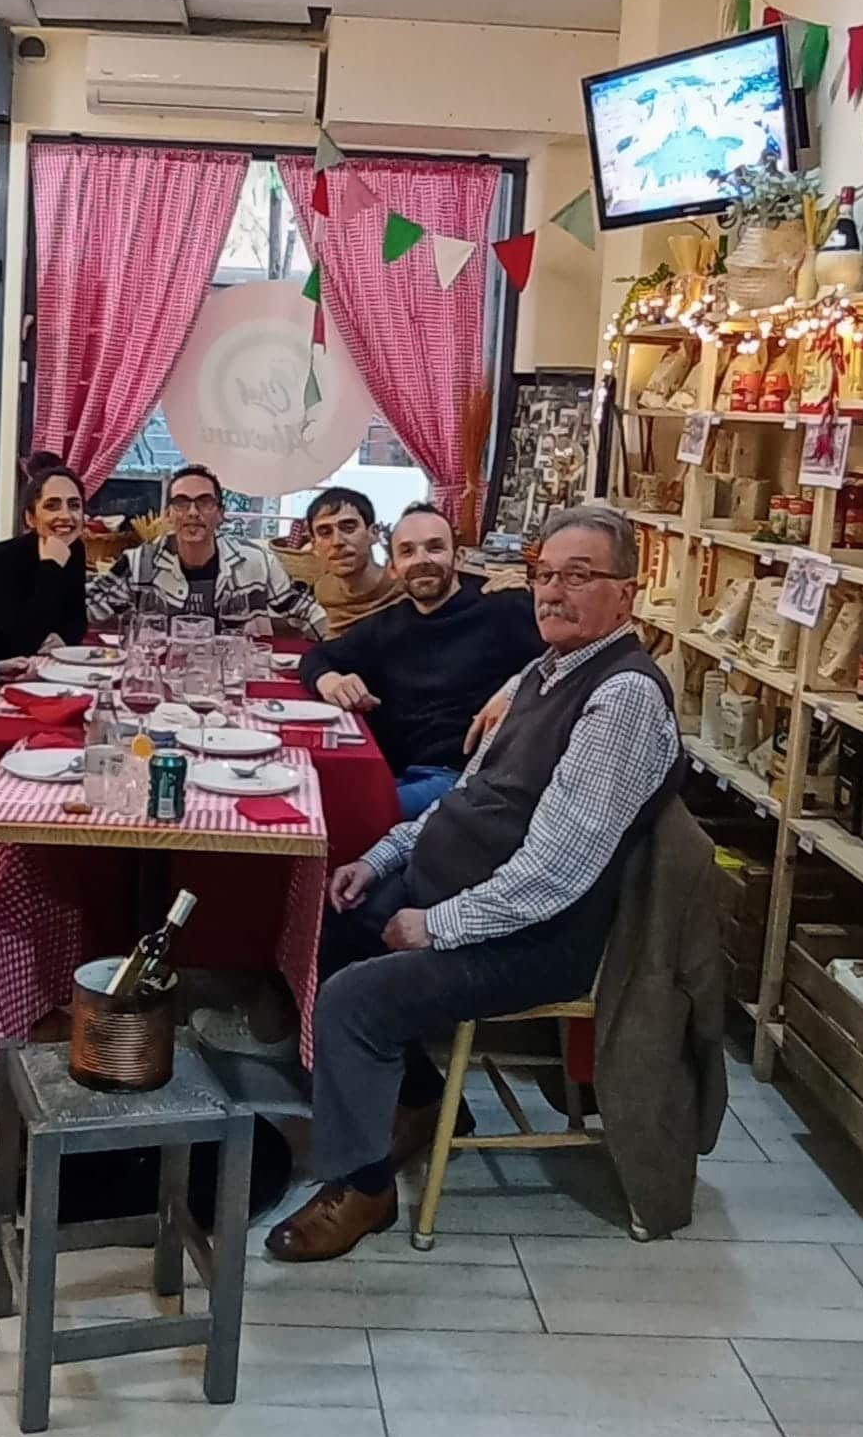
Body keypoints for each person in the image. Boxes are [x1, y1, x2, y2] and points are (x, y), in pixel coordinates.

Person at [266, 503, 683, 1263]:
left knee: (356, 999)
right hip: (461, 887)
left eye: (579, 577)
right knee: (323, 922)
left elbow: (557, 871)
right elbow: (467, 800)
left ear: (628, 592)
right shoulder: (544, 671)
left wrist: (437, 924)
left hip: (537, 936)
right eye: (545, 576)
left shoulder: (620, 697)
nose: (554, 593)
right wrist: (383, 859)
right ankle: (419, 1102)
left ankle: (363, 1187)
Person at [299, 502, 542, 819]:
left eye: (435, 548)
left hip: (468, 780)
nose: (422, 560)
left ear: (459, 558)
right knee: (305, 790)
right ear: (393, 568)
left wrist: (518, 684)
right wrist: (329, 680)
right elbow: (316, 657)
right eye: (408, 552)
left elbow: (568, 664)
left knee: (336, 816)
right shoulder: (388, 625)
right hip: (397, 772)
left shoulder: (504, 610)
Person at [86, 463, 327, 637]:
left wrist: (336, 658)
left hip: (233, 681)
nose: (192, 512)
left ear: (221, 514)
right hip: (159, 683)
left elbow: (308, 613)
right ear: (168, 515)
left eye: (204, 502)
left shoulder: (258, 562)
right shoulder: (139, 563)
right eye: (181, 503)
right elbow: (85, 609)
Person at [0, 461, 88, 666]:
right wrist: (51, 567)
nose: (65, 515)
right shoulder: (2, 560)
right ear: (30, 518)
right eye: (52, 506)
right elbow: (22, 642)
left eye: (74, 505)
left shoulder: (75, 549)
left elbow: (77, 621)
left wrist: (63, 638)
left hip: (40, 666)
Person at [306, 487, 405, 638]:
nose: (337, 541)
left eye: (349, 528)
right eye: (325, 533)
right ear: (314, 545)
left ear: (373, 533)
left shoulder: (402, 588)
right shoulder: (324, 590)